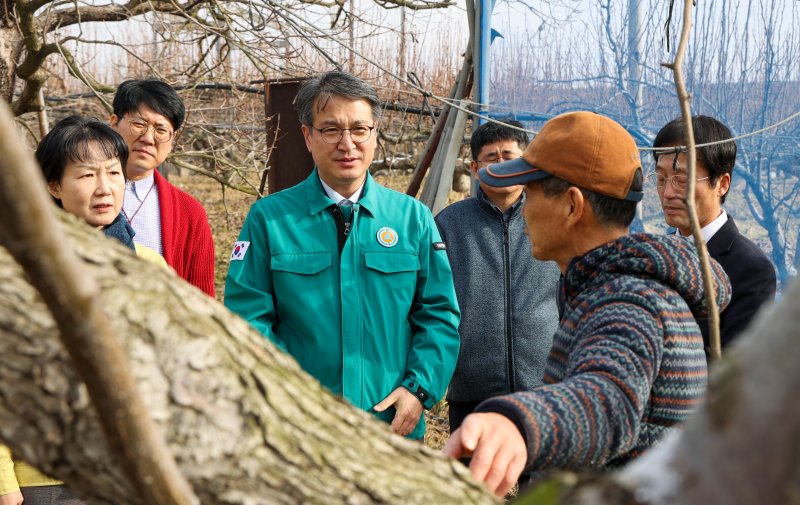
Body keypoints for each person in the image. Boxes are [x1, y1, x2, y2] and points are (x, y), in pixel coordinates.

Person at [443, 111, 731, 497]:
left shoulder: (629, 301)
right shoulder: (606, 287)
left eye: (530, 194)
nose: (522, 209)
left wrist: (518, 422)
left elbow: (606, 397)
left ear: (572, 206)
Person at [224, 71, 460, 440]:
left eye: (359, 129)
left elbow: (439, 315)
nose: (347, 144)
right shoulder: (270, 220)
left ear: (375, 134)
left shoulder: (413, 219)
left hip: (392, 425)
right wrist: (288, 392)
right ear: (308, 136)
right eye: (331, 130)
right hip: (301, 426)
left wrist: (418, 390)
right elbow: (247, 319)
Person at [0, 116, 167, 505]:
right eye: (87, 175)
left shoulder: (147, 265)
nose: (105, 187)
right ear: (53, 185)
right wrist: (4, 483)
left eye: (113, 172)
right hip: (46, 478)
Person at [434, 120, 561, 434]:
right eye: (492, 158)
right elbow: (433, 302)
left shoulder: (553, 217)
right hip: (473, 392)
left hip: (545, 388)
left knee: (543, 482)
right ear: (476, 169)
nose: (502, 165)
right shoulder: (449, 224)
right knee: (473, 481)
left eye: (510, 156)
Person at [652, 115, 776, 350]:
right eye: (661, 178)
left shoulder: (751, 269)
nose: (667, 192)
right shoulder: (656, 255)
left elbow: (733, 369)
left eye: (682, 180)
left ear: (722, 183)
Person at [110, 79, 216, 296]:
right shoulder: (78, 192)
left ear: (172, 139)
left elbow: (202, 300)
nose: (148, 138)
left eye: (161, 129)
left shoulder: (190, 214)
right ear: (113, 123)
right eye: (139, 124)